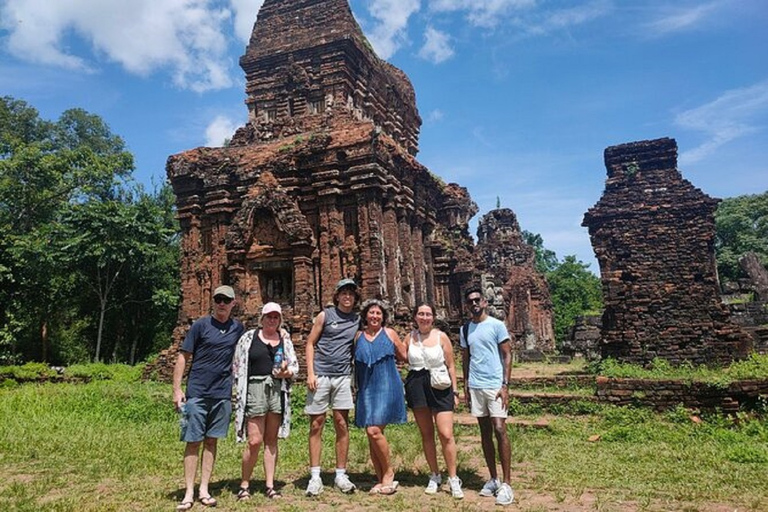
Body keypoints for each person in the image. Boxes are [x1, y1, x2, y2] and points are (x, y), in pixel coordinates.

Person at [172, 285, 244, 510]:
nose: (222, 303)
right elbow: (183, 357)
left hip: (221, 393)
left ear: (233, 304)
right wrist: (177, 389)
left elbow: (251, 350)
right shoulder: (200, 325)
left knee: (212, 440)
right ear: (213, 302)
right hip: (198, 392)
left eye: (226, 300)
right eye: (218, 299)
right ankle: (189, 492)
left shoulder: (238, 328)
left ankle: (204, 488)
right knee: (193, 441)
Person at [232, 302, 299, 501]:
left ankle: (270, 485)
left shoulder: (285, 340)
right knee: (254, 440)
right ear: (262, 318)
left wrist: (287, 373)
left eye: (276, 317)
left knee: (271, 440)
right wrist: (237, 391)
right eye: (269, 316)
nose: (272, 320)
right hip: (255, 389)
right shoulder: (248, 338)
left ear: (280, 320)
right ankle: (244, 484)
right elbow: (237, 365)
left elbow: (294, 366)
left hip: (277, 389)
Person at [304, 278, 361, 496]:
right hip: (321, 375)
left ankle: (340, 474)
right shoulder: (325, 315)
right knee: (316, 424)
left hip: (342, 376)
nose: (347, 297)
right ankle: (315, 476)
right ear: (337, 296)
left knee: (341, 423)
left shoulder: (357, 320)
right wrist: (310, 373)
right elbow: (310, 342)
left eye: (351, 294)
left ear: (355, 298)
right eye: (344, 293)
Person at [459, 287, 515, 506]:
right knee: (484, 432)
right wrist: (465, 384)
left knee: (500, 428)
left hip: (495, 385)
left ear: (484, 302)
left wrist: (505, 385)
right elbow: (465, 358)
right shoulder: (465, 329)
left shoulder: (496, 325)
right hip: (476, 385)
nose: (474, 304)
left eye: (477, 300)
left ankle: (507, 483)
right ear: (466, 305)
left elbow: (507, 354)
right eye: (470, 301)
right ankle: (493, 478)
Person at [403, 303, 463, 499]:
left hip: (440, 385)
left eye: (428, 314)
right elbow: (400, 355)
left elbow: (451, 365)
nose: (424, 317)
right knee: (427, 433)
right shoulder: (409, 338)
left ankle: (453, 478)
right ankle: (434, 475)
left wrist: (455, 391)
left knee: (446, 434)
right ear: (415, 317)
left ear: (433, 317)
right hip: (417, 385)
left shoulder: (441, 337)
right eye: (421, 314)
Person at [354, 299, 407, 495]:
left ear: (383, 317)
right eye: (371, 313)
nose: (375, 316)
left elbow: (405, 356)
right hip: (367, 387)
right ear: (365, 316)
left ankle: (389, 473)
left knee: (374, 431)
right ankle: (379, 479)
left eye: (378, 313)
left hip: (387, 384)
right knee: (371, 434)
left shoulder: (390, 333)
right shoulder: (358, 336)